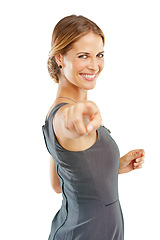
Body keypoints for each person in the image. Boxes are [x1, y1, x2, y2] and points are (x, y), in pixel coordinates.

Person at [42, 15, 145, 240]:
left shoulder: (53, 111)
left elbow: (58, 184)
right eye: (83, 56)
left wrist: (112, 167)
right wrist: (84, 110)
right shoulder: (64, 115)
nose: (94, 65)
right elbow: (69, 119)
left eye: (99, 55)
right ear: (60, 58)